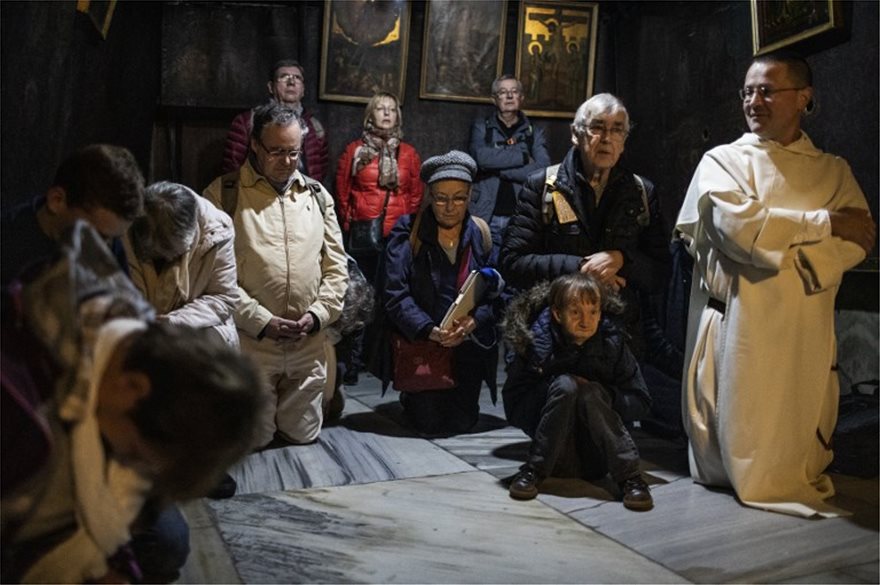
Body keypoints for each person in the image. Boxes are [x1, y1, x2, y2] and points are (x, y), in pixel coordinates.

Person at [1, 221, 264, 584]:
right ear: (133, 387)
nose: (130, 471)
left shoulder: (129, 343)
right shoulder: (17, 401)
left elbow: (107, 497)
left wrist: (118, 570)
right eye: (134, 454)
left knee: (166, 541)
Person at [675, 50, 876, 518]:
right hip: (741, 320)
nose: (754, 101)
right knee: (740, 424)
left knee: (796, 421)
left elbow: (859, 239)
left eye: (767, 91)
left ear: (803, 98)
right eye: (748, 92)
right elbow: (738, 230)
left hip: (804, 320)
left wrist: (785, 255)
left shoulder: (833, 171)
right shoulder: (722, 162)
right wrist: (824, 223)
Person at [204, 102, 348, 448]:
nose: (287, 161)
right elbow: (212, 277)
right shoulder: (223, 195)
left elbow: (336, 268)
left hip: (306, 342)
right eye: (277, 152)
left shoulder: (317, 196)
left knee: (303, 435)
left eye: (294, 152)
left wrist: (317, 316)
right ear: (255, 144)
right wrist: (261, 321)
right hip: (253, 343)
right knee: (256, 439)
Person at [500, 93, 670, 359]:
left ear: (624, 140)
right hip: (553, 338)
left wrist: (622, 260)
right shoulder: (542, 186)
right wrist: (580, 268)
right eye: (597, 127)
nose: (607, 138)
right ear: (575, 134)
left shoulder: (641, 192)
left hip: (618, 341)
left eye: (617, 130)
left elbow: (660, 273)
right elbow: (512, 263)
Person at [502, 273, 653, 510]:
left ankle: (630, 478)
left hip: (600, 452)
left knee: (590, 392)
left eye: (593, 312)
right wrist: (555, 389)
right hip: (553, 451)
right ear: (557, 314)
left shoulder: (612, 343)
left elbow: (641, 400)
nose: (586, 321)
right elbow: (514, 405)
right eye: (575, 312)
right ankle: (533, 471)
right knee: (566, 385)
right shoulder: (535, 342)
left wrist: (606, 395)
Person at [382, 150, 503, 436]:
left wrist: (474, 321)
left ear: (470, 196)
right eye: (441, 198)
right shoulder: (409, 232)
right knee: (429, 422)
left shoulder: (482, 234)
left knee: (462, 422)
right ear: (429, 196)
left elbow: (498, 293)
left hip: (466, 347)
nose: (450, 207)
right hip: (424, 343)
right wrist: (429, 330)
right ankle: (413, 397)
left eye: (459, 198)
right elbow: (395, 293)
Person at [335, 91, 423, 383]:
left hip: (396, 235)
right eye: (380, 109)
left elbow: (415, 194)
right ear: (370, 115)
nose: (386, 113)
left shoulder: (408, 153)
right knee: (358, 297)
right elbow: (342, 191)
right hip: (363, 234)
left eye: (392, 109)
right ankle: (352, 362)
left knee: (392, 297)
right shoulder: (355, 151)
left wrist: (405, 224)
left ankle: (383, 362)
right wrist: (350, 221)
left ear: (398, 116)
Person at [1, 143, 144, 285]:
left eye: (112, 239)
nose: (103, 250)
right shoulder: (7, 247)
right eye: (96, 235)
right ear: (57, 200)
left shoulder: (107, 238)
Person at [125, 181, 239, 348]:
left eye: (173, 254)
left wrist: (174, 321)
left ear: (192, 234)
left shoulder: (217, 230)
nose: (166, 260)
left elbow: (223, 297)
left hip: (199, 342)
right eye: (156, 255)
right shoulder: (123, 228)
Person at [468, 74, 551, 250]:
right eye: (503, 92)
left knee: (516, 264)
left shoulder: (534, 132)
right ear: (494, 99)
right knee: (484, 263)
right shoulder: (482, 127)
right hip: (486, 214)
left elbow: (543, 170)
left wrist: (497, 169)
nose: (510, 96)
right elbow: (481, 158)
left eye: (514, 91)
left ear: (521, 98)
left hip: (521, 216)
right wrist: (523, 157)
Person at [221, 59, 329, 183]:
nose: (291, 82)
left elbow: (319, 170)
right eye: (284, 77)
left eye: (297, 78)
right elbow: (232, 167)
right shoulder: (247, 122)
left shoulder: (316, 127)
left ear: (303, 89)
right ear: (271, 87)